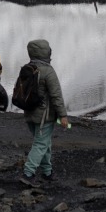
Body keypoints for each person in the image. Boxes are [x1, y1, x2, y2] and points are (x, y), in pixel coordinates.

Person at [17, 39, 71, 188]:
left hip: (29, 114)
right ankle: (28, 173)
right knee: (41, 143)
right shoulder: (48, 71)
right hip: (44, 117)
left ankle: (47, 172)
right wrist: (63, 116)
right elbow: (56, 95)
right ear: (46, 52)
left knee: (44, 143)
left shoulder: (27, 68)